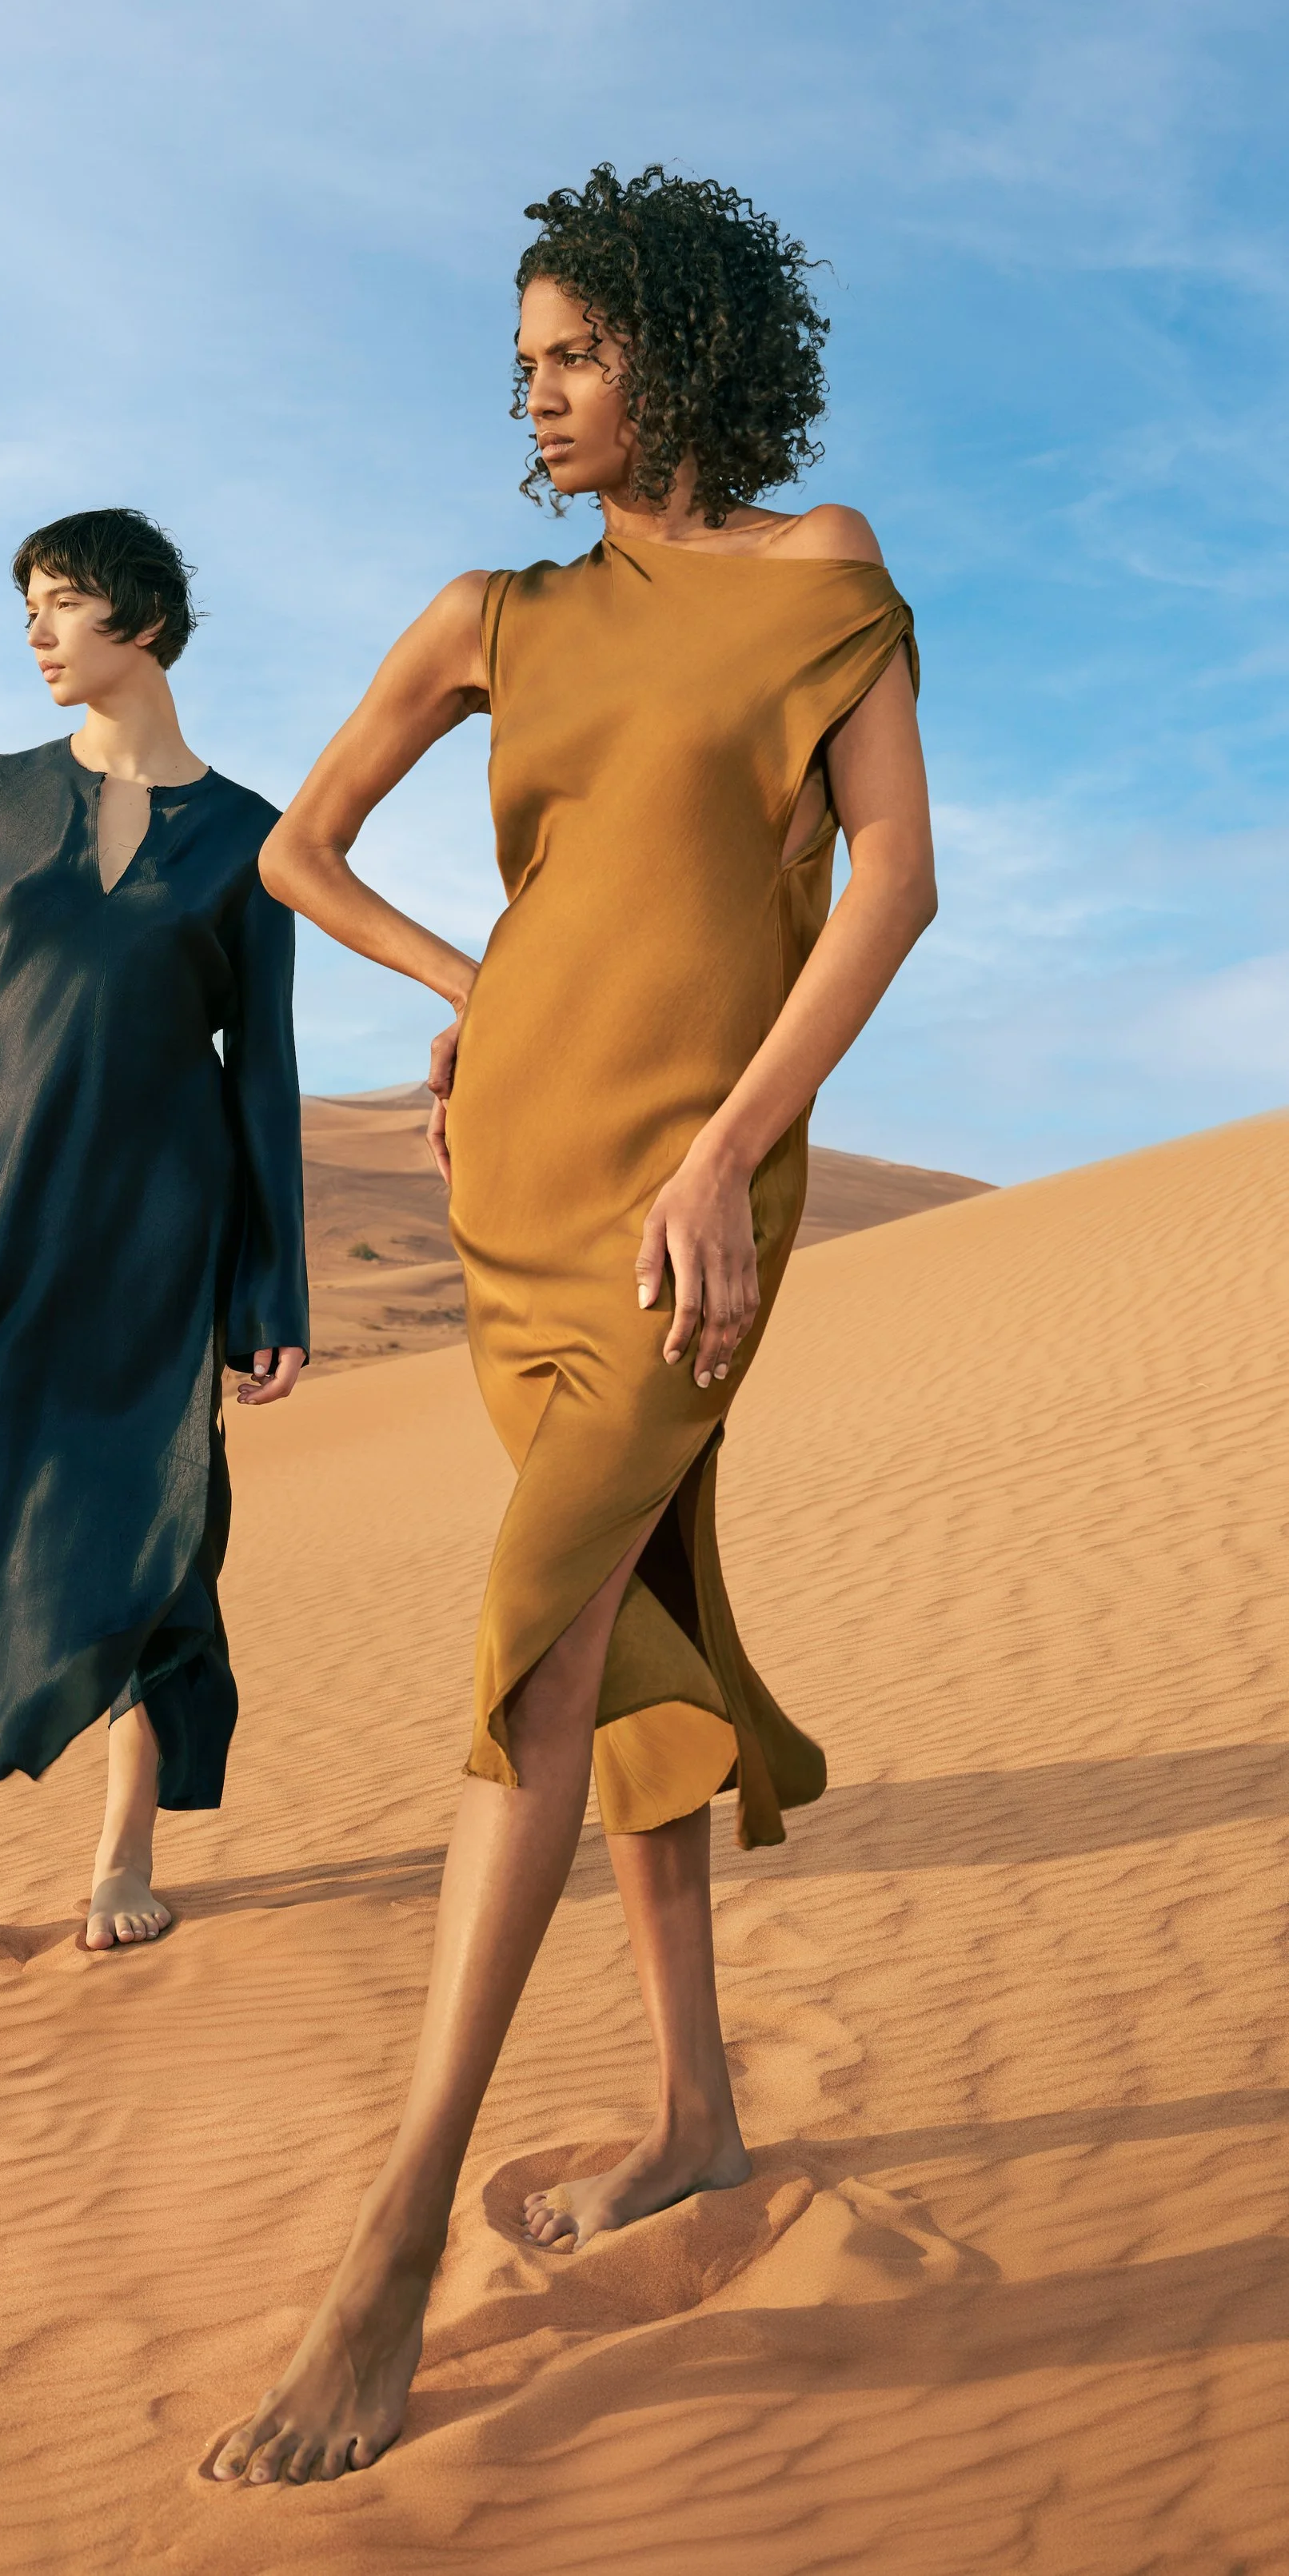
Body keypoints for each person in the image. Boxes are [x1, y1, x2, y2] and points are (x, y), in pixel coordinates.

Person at [210, 165, 936, 2482]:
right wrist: (470, 980)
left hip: (685, 1202)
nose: (531, 394)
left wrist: (728, 1142)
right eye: (519, 359)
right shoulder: (490, 611)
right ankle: (699, 2111)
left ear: (680, 353)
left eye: (570, 351)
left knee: (537, 1629)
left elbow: (895, 885)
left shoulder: (825, 575)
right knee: (611, 1643)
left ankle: (393, 2236)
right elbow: (293, 850)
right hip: (512, 1178)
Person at [0, 507, 309, 2008]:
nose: (37, 635)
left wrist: (270, 1292)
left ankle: (124, 1856)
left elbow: (264, 1078)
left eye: (61, 605)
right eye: (29, 611)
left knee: (155, 1540)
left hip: (165, 1251)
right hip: (1, 1234)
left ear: (149, 620)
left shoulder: (251, 836)